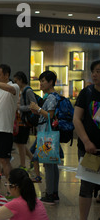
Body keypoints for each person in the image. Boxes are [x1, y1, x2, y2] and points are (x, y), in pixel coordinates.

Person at [72, 60, 100, 220]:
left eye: (98, 71)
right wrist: (87, 141)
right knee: (86, 186)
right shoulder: (86, 93)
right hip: (89, 150)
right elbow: (77, 119)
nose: (95, 74)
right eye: (94, 71)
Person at [29, 70, 63, 205]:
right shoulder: (51, 97)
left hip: (47, 135)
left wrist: (37, 109)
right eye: (40, 81)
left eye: (43, 81)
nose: (41, 84)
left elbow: (50, 115)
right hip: (48, 134)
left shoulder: (51, 97)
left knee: (49, 164)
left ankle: (49, 194)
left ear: (50, 82)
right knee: (52, 164)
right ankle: (53, 192)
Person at [12, 71, 35, 171]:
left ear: (21, 80)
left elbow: (33, 105)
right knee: (19, 144)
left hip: (24, 122)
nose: (15, 83)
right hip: (19, 121)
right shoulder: (21, 91)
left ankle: (23, 165)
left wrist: (20, 107)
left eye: (16, 81)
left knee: (21, 144)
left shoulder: (28, 91)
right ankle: (33, 159)